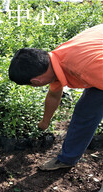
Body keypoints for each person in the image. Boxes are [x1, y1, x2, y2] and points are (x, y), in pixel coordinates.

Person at [8, 24, 103, 171]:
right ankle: (68, 159)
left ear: (36, 82)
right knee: (86, 110)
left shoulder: (85, 68)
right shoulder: (57, 60)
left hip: (97, 69)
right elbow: (54, 94)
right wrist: (45, 122)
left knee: (88, 109)